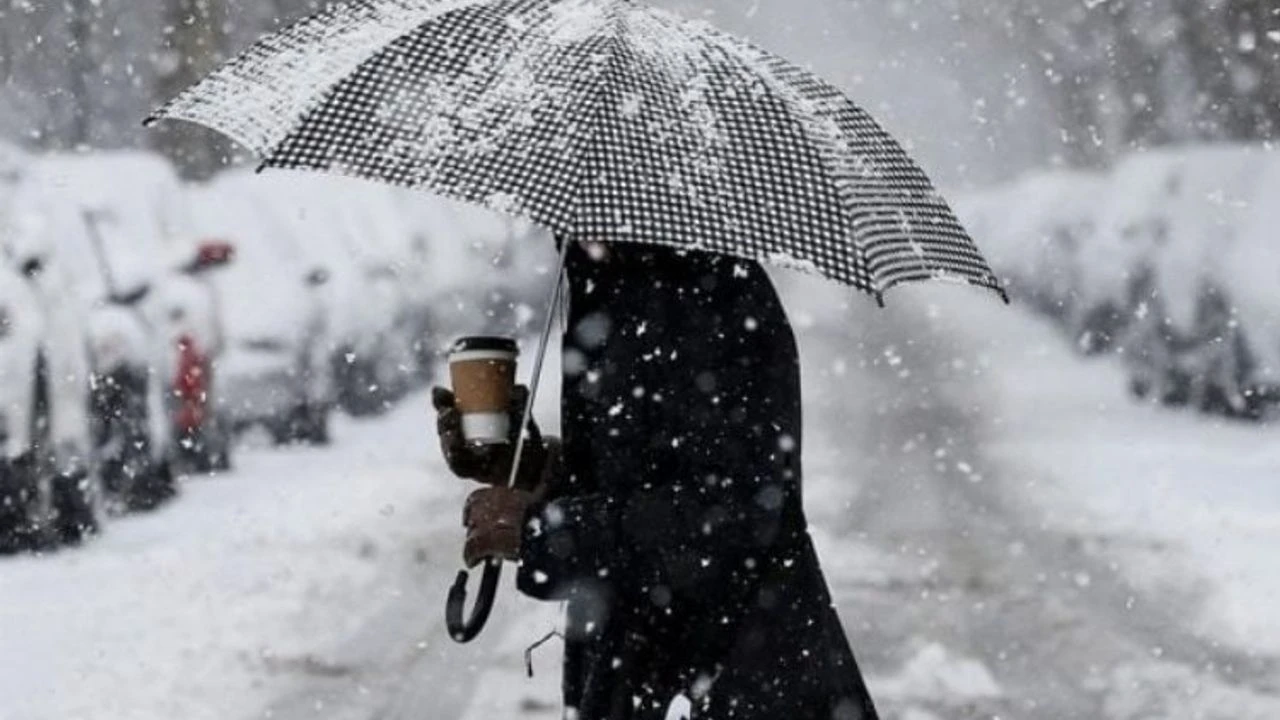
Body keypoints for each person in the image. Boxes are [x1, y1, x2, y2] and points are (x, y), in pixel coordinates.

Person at [433, 240, 880, 720]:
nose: (557, 226)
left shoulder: (709, 300)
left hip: (731, 674)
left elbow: (736, 511)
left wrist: (550, 531)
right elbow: (637, 472)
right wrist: (529, 469)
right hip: (648, 671)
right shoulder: (614, 286)